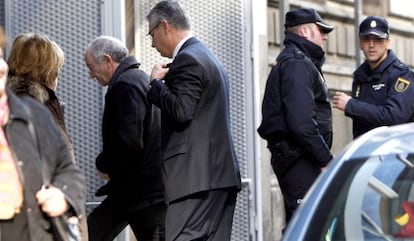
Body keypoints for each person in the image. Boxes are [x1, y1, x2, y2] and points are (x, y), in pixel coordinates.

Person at [146, 1, 242, 240]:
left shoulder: (187, 59)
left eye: (152, 34)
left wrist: (156, 84)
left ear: (164, 26)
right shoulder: (208, 56)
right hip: (218, 177)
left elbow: (181, 110)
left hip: (194, 180)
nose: (152, 43)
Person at [0, 27, 86, 241]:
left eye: (1, 56)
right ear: (46, 72)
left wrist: (64, 196)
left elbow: (66, 168)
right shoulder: (37, 106)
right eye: (56, 70)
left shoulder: (33, 111)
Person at [84, 35, 166, 241]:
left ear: (107, 60)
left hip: (141, 193)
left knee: (89, 233)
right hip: (138, 190)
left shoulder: (125, 85)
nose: (91, 75)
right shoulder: (139, 78)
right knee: (89, 233)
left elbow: (127, 142)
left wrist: (104, 163)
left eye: (91, 67)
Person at [257, 8, 334, 224]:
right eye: (321, 31)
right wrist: (325, 159)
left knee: (303, 223)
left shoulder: (298, 62)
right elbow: (301, 123)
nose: (325, 36)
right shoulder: (298, 64)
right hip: (300, 160)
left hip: (300, 158)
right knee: (305, 224)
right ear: (306, 32)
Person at [333, 16, 414, 138]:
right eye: (366, 39)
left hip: (394, 153)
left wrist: (351, 105)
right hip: (366, 151)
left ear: (387, 42)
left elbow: (395, 117)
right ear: (360, 43)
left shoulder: (401, 75)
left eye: (378, 39)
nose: (371, 45)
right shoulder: (360, 76)